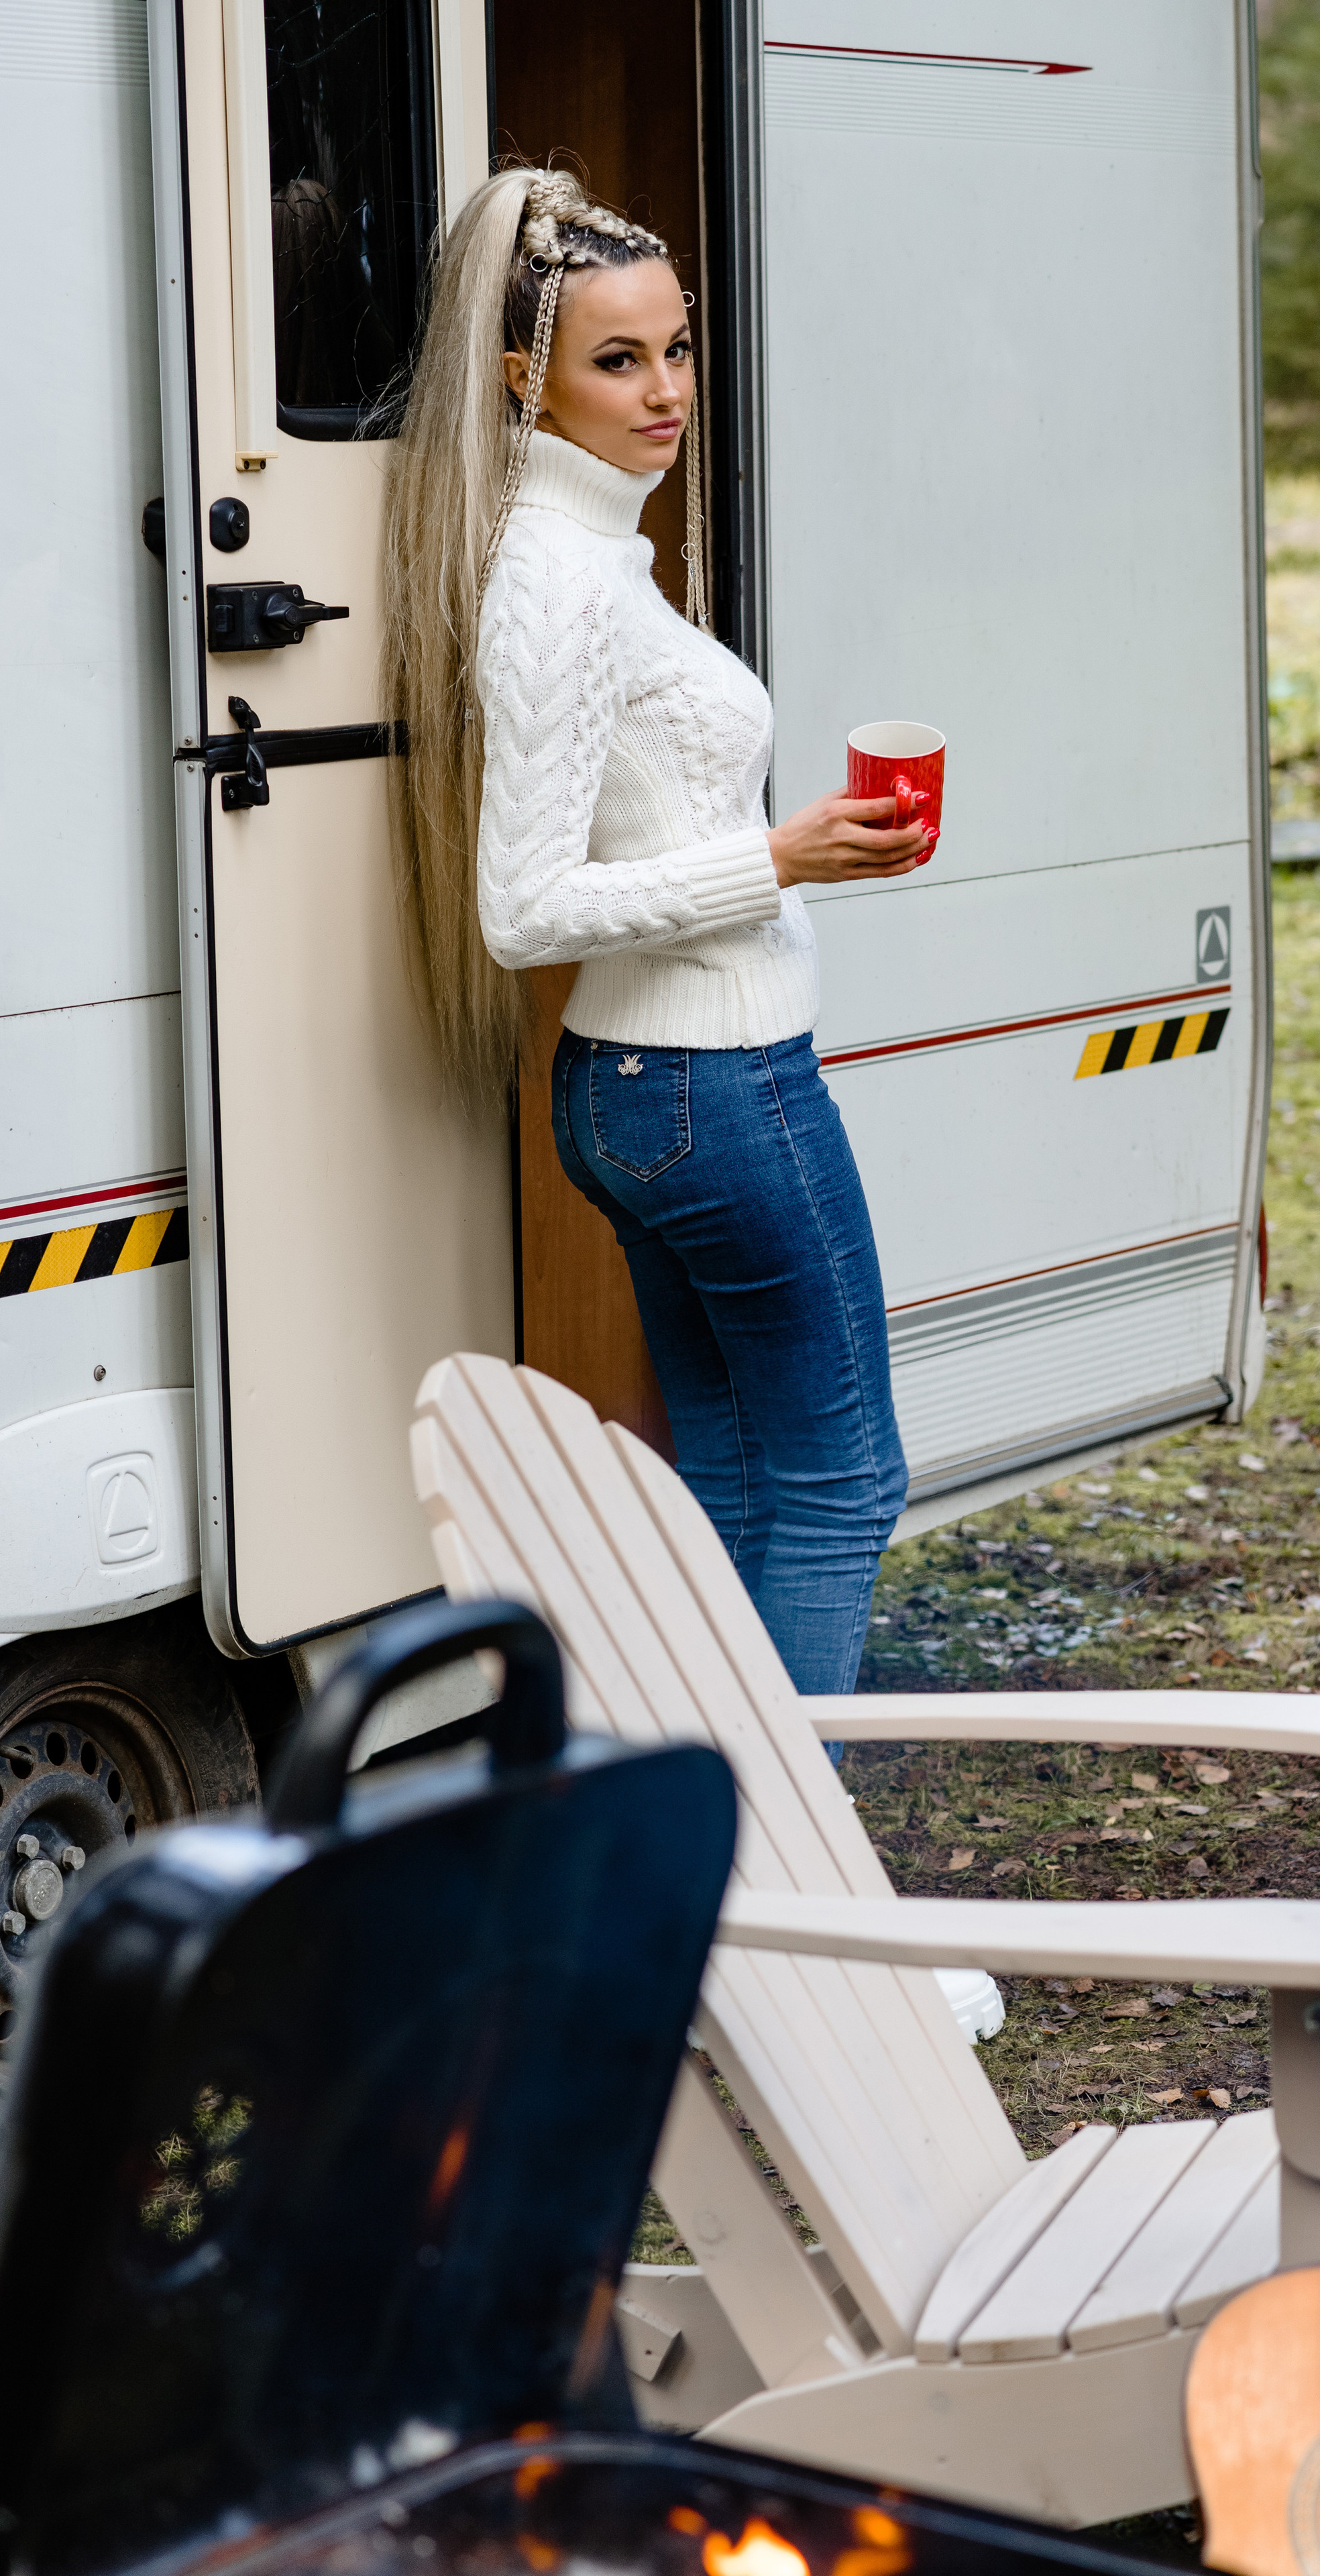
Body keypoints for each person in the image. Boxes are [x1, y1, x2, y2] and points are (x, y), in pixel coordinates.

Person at [382, 166, 917, 1720]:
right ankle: (798, 1903)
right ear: (521, 375)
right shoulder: (557, 587)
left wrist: (781, 854)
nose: (665, 390)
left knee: (746, 1486)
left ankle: (720, 1888)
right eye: (618, 362)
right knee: (842, 1486)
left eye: (676, 350)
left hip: (652, 1092)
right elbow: (523, 909)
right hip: (714, 1085)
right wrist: (779, 853)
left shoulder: (595, 554)